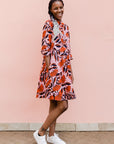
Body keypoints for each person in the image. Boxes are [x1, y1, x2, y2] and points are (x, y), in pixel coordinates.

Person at [33, 0, 76, 143]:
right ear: (51, 10)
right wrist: (50, 71)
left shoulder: (65, 27)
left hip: (64, 70)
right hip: (53, 70)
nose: (59, 10)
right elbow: (45, 50)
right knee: (63, 105)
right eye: (55, 8)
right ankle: (40, 133)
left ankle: (51, 136)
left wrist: (70, 71)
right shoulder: (48, 25)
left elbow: (67, 52)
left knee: (54, 104)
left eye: (61, 7)